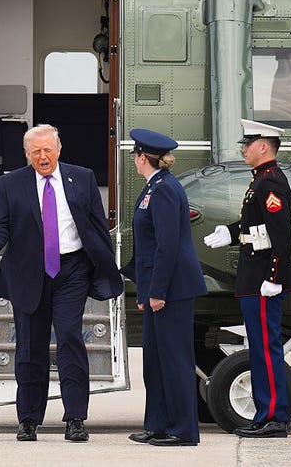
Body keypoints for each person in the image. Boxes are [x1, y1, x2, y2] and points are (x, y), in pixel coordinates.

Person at [0, 124, 122, 442]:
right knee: (29, 346)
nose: (43, 156)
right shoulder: (12, 183)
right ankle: (28, 418)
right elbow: (0, 226)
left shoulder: (81, 178)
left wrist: (104, 265)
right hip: (29, 272)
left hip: (71, 271)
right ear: (27, 155)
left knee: (70, 337)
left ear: (58, 149)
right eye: (36, 152)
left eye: (48, 150)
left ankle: (75, 419)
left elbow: (96, 225)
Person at [203, 119, 291, 438]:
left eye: (248, 143)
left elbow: (282, 234)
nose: (243, 149)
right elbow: (253, 225)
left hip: (263, 281)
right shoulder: (261, 180)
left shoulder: (269, 182)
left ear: (263, 147)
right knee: (258, 348)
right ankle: (265, 414)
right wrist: (229, 233)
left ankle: (273, 416)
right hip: (254, 278)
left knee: (265, 348)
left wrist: (273, 278)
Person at [122, 129, 208, 447]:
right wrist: (146, 290)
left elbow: (166, 246)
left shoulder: (165, 190)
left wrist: (157, 291)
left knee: (175, 360)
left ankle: (184, 429)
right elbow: (148, 248)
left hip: (173, 289)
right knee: (155, 361)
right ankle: (158, 424)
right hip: (158, 288)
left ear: (143, 157)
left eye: (135, 154)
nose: (134, 158)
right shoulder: (154, 187)